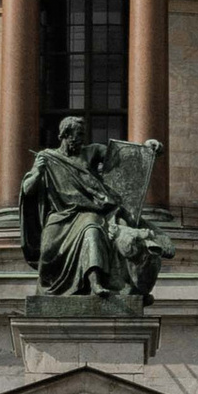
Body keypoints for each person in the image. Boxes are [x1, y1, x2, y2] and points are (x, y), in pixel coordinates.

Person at [18, 116, 173, 304]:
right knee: (49, 248)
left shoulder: (91, 152)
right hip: (60, 216)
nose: (81, 140)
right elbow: (27, 188)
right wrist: (39, 173)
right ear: (65, 135)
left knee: (92, 229)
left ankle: (95, 281)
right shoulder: (47, 157)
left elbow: (124, 157)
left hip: (89, 211)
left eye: (83, 135)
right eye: (78, 135)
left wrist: (148, 147)